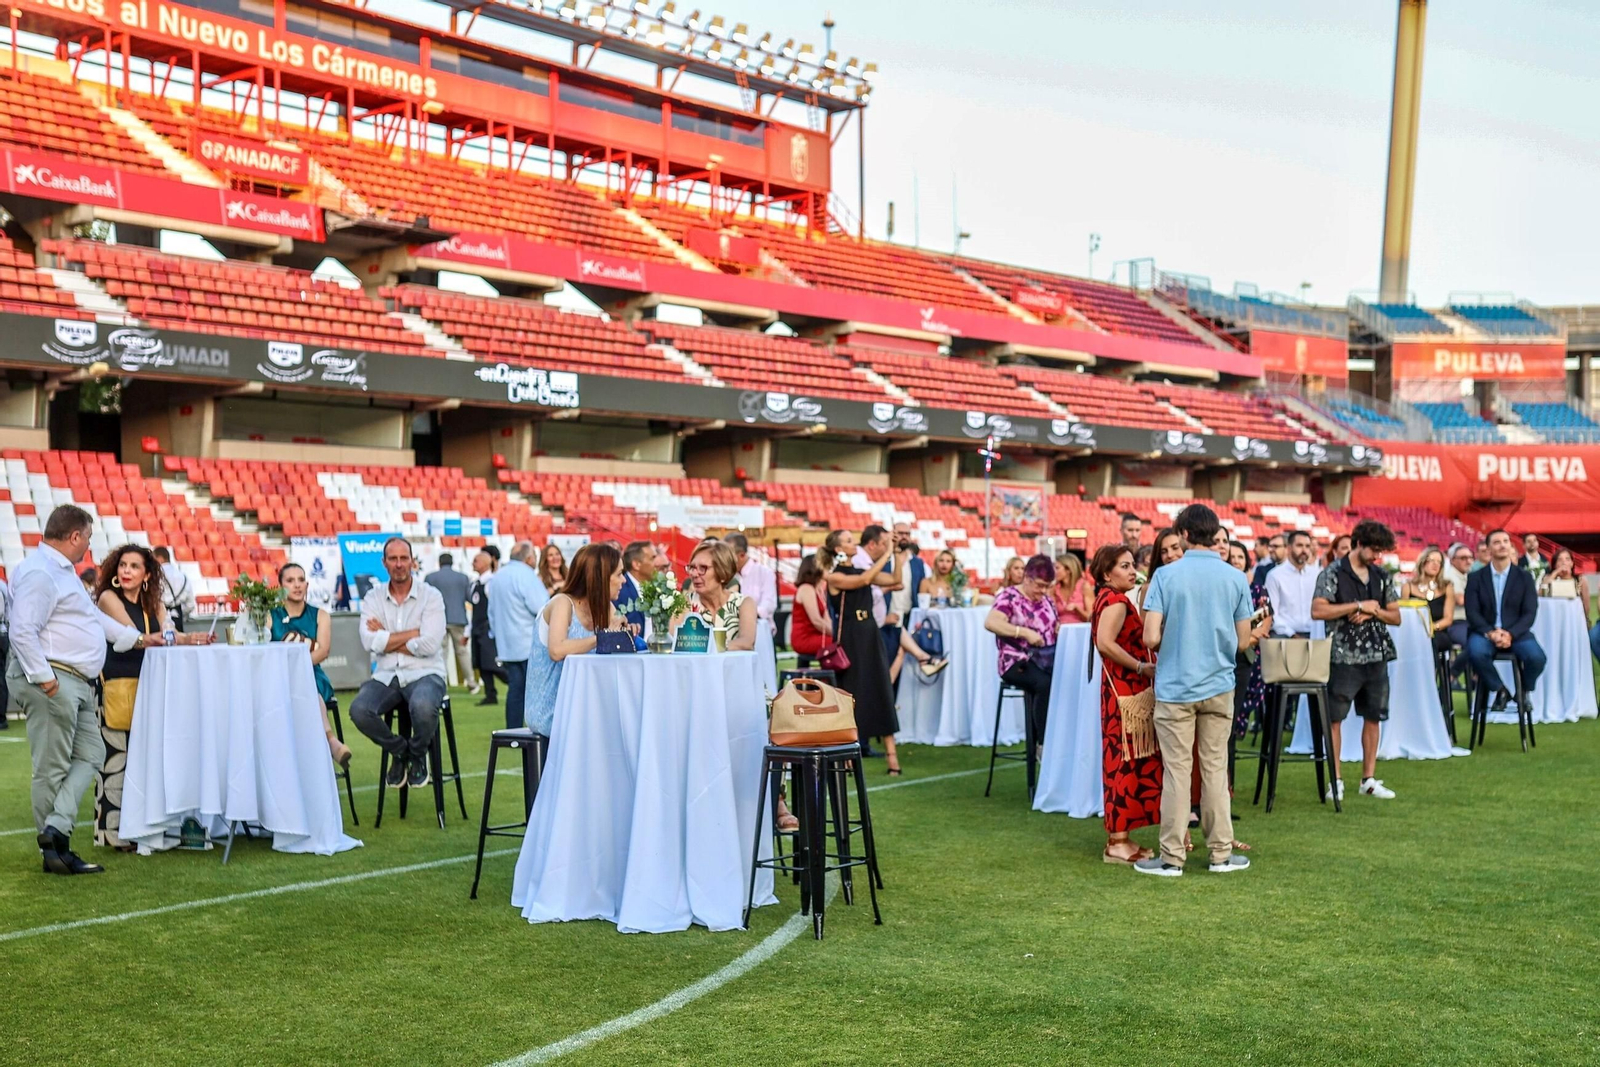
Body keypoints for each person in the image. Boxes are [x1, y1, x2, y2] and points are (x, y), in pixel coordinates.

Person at [10, 506, 147, 875]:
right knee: (52, 767)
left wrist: (135, 638)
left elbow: (89, 618)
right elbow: (22, 629)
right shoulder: (41, 572)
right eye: (87, 537)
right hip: (56, 678)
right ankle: (55, 850)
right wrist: (45, 679)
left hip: (76, 680)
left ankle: (55, 828)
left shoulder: (59, 571)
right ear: (74, 536)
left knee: (91, 753)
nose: (89, 546)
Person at [1135, 504, 1268, 877]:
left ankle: (1171, 858)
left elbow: (1150, 635)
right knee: (1214, 770)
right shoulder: (1235, 578)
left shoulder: (1166, 576)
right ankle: (1220, 854)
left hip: (1176, 685)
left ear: (1186, 535)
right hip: (1219, 683)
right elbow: (1244, 640)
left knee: (1177, 772)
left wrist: (1174, 641)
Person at [92, 544, 214, 850]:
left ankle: (144, 828)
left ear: (147, 573)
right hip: (117, 685)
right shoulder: (109, 597)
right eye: (123, 565)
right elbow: (134, 635)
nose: (126, 571)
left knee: (144, 760)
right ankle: (111, 834)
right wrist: (170, 637)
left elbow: (168, 634)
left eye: (134, 566)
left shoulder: (155, 602)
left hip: (152, 686)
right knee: (115, 761)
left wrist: (191, 638)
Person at [1311, 520, 1403, 801]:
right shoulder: (1333, 573)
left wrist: (1373, 613)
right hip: (1342, 656)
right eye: (1374, 549)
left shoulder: (1382, 575)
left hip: (1377, 655)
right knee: (1335, 719)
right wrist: (1357, 606)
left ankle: (1369, 779)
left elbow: (1395, 616)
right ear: (1358, 543)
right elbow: (1317, 610)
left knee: (1374, 717)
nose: (1377, 556)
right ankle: (1335, 780)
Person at [349, 537, 448, 791]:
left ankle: (416, 754)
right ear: (384, 563)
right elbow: (367, 641)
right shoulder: (373, 597)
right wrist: (413, 633)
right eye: (393, 559)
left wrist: (387, 636)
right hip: (386, 675)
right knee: (359, 710)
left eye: (404, 558)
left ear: (412, 561)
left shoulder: (432, 596)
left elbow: (431, 645)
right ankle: (404, 752)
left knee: (423, 706)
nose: (399, 564)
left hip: (425, 672)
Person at [1090, 544, 1163, 865]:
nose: (1133, 571)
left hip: (1122, 693)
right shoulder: (1116, 602)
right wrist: (1138, 666)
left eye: (1133, 565)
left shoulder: (1111, 599)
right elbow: (1104, 643)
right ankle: (1116, 843)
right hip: (1125, 696)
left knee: (1127, 761)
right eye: (1124, 566)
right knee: (1123, 761)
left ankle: (1121, 837)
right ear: (1107, 573)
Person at [822, 528, 904, 771]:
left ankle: (892, 757)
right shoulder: (834, 576)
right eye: (848, 541)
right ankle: (848, 756)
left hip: (869, 631)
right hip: (851, 636)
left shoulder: (861, 570)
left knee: (881, 688)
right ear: (838, 549)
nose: (853, 543)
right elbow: (864, 580)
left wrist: (896, 553)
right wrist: (887, 553)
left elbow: (895, 580)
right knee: (852, 692)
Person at [526, 544, 624, 736]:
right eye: (619, 574)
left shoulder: (607, 607)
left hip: (584, 705)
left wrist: (625, 635)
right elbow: (557, 650)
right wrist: (603, 637)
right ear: (602, 577)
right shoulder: (563, 603)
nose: (623, 581)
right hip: (551, 710)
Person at [270, 562, 351, 770]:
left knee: (308, 689)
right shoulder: (270, 616)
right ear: (280, 586)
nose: (297, 585)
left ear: (307, 584)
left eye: (301, 580)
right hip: (278, 678)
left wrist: (297, 668)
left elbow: (323, 651)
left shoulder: (320, 615)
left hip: (310, 674)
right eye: (290, 580)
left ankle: (331, 742)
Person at [984, 555, 1060, 758]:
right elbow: (991, 622)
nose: (1043, 591)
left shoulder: (1047, 601)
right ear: (1027, 578)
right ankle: (1043, 744)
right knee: (1044, 684)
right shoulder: (1008, 597)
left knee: (1061, 681)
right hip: (1015, 660)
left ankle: (1057, 740)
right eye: (1040, 585)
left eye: (1047, 586)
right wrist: (1022, 632)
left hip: (1045, 659)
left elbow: (1053, 626)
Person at [1464, 528, 1545, 715]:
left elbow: (1529, 613)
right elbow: (1472, 612)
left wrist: (1510, 634)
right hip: (1485, 632)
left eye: (1506, 541)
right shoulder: (1476, 578)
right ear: (1489, 549)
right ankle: (1500, 690)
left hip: (1517, 633)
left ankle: (1523, 690)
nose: (1502, 545)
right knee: (1475, 653)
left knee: (1537, 658)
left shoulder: (1524, 578)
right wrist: (1491, 633)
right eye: (1497, 542)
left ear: (1511, 546)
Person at [487, 541, 550, 731]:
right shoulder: (526, 575)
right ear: (529, 558)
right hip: (529, 642)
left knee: (515, 689)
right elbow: (543, 608)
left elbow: (491, 612)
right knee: (537, 689)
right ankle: (539, 728)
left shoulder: (498, 577)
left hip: (507, 643)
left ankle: (513, 729)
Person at [1227, 540, 1270, 802]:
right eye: (1230, 556)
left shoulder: (1257, 589)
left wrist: (1245, 639)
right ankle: (1223, 786)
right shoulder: (1221, 587)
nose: (1235, 560)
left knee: (1234, 723)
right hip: (1226, 659)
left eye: (1239, 556)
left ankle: (1228, 786)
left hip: (1248, 660)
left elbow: (1265, 623)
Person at [684, 540, 758, 650]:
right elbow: (674, 644)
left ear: (722, 572)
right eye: (692, 567)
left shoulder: (744, 603)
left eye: (702, 568)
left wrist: (711, 648)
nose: (694, 574)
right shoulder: (684, 603)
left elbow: (746, 642)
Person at [425, 552, 475, 691]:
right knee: (462, 651)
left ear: (439, 562)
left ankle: (441, 681)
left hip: (438, 620)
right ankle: (471, 682)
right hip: (458, 618)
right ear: (452, 562)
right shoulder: (463, 578)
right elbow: (470, 598)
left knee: (441, 652)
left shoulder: (430, 577)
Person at [1266, 530, 1320, 639]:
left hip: (1314, 634)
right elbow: (1273, 614)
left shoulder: (1317, 575)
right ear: (1289, 548)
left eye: (1307, 546)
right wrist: (1292, 634)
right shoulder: (1275, 575)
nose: (1304, 550)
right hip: (1284, 634)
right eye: (1299, 545)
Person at [1404, 547, 1457, 654]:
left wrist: (1431, 628)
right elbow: (1404, 616)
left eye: (1439, 562)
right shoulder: (1408, 586)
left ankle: (1431, 671)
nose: (1435, 564)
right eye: (1432, 560)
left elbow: (1448, 619)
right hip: (1413, 632)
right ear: (1423, 562)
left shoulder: (1447, 586)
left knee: (1430, 641)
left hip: (1437, 631)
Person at [724, 532, 776, 636]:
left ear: (742, 555)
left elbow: (769, 604)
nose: (725, 559)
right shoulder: (725, 576)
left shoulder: (764, 573)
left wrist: (746, 615)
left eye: (728, 555)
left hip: (760, 633)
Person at [469, 547, 501, 707]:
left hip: (487, 629)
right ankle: (490, 694)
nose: (473, 563)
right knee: (481, 663)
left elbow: (495, 608)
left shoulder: (491, 583)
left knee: (492, 663)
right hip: (476, 628)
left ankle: (518, 686)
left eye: (476, 560)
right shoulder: (475, 584)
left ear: (484, 563)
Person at [852, 525, 899, 633]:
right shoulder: (858, 560)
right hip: (861, 627)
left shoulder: (868, 562)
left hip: (871, 626)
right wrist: (889, 552)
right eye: (884, 544)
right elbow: (866, 583)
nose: (887, 547)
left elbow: (896, 579)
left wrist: (896, 550)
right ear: (872, 544)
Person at [789, 553, 831, 665]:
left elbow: (826, 619)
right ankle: (829, 678)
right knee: (842, 643)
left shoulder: (818, 590)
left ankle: (829, 677)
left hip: (816, 635)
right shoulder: (806, 589)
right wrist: (837, 634)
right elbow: (816, 621)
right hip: (805, 638)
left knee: (843, 641)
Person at [1135, 527, 1183, 612]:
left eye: (1175, 548)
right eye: (1164, 551)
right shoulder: (1149, 588)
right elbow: (1146, 624)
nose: (1170, 555)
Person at [615, 539, 658, 635]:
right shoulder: (619, 591)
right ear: (636, 564)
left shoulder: (658, 589)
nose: (657, 563)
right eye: (652, 558)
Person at [152, 546, 195, 629]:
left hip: (157, 621)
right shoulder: (184, 577)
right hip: (177, 619)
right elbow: (190, 605)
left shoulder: (154, 575)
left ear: (160, 559)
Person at [1052, 552, 1092, 624]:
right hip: (1060, 631)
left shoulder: (1084, 586)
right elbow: (1050, 615)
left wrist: (1077, 609)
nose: (1054, 571)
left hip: (1080, 631)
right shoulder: (1054, 589)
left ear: (1068, 570)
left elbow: (1091, 618)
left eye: (1057, 568)